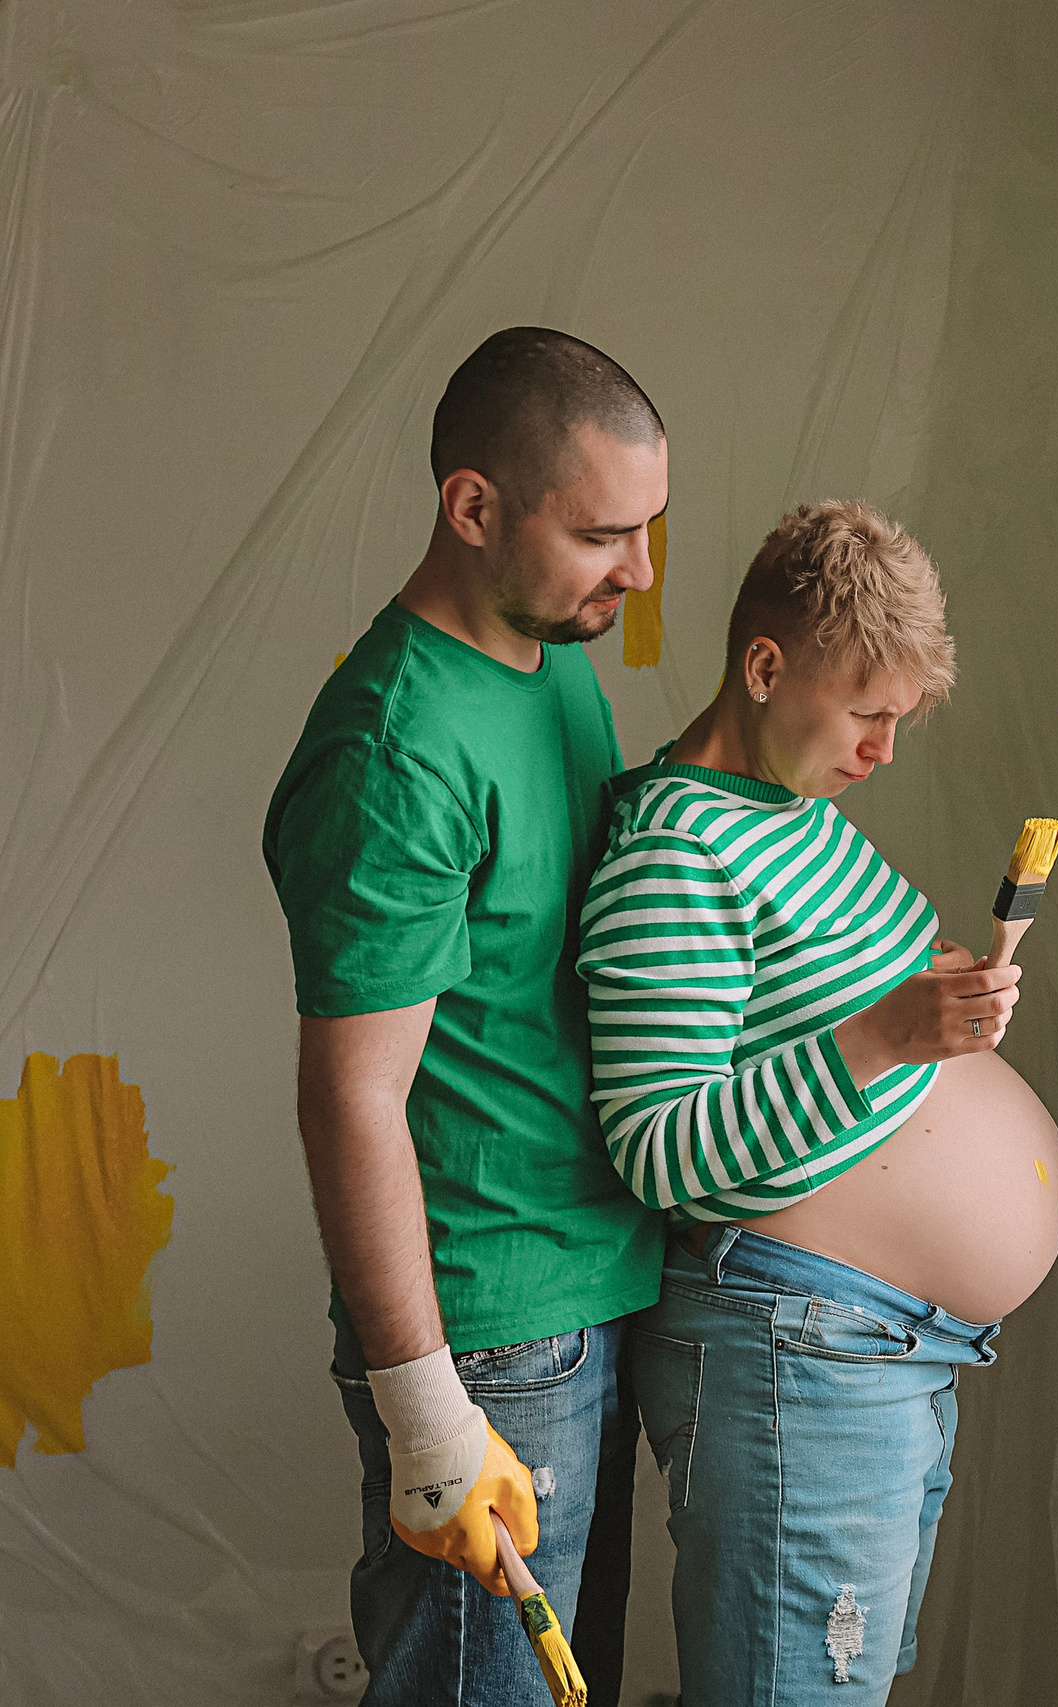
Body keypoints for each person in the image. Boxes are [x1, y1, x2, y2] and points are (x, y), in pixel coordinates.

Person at [577, 500, 1058, 1706]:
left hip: (874, 1353)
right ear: (764, 666)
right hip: (795, 1357)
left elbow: (824, 1022)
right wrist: (890, 1031)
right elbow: (658, 1147)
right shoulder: (675, 853)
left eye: (900, 720)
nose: (883, 752)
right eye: (866, 714)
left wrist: (932, 995)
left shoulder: (790, 817)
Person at [263, 328, 668, 1703]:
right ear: (475, 506)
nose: (642, 571)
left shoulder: (550, 660)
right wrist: (426, 1408)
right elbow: (350, 1093)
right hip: (489, 1335)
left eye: (650, 527)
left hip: (594, 1278)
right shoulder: (394, 743)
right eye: (606, 533)